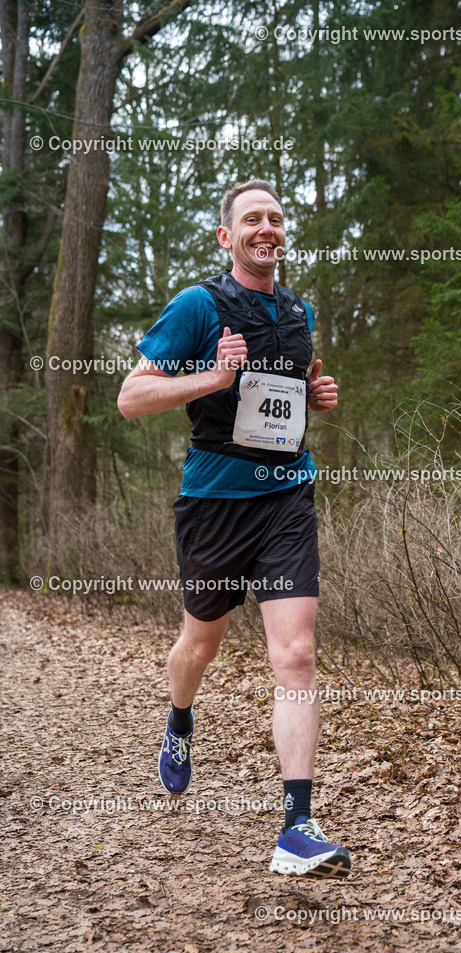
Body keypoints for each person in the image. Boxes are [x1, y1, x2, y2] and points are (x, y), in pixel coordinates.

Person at [117, 179, 350, 880]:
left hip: (286, 497)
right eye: (252, 218)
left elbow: (278, 397)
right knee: (201, 645)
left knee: (296, 653)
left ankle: (296, 826)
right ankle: (180, 718)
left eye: (275, 217)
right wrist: (210, 379)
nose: (266, 228)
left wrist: (312, 397)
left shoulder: (298, 310)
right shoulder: (198, 304)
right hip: (214, 505)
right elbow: (132, 397)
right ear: (227, 236)